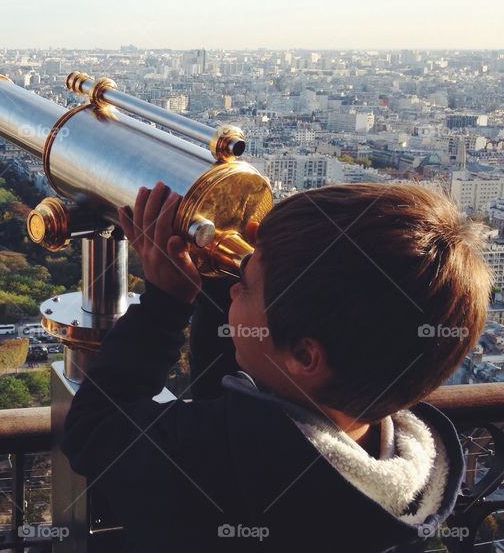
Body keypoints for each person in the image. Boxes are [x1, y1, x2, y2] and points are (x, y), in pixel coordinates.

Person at [62, 182, 490, 552]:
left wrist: (164, 305)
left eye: (243, 286)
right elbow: (249, 382)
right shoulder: (410, 477)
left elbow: (93, 428)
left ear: (305, 356)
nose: (232, 290)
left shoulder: (204, 453)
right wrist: (235, 269)